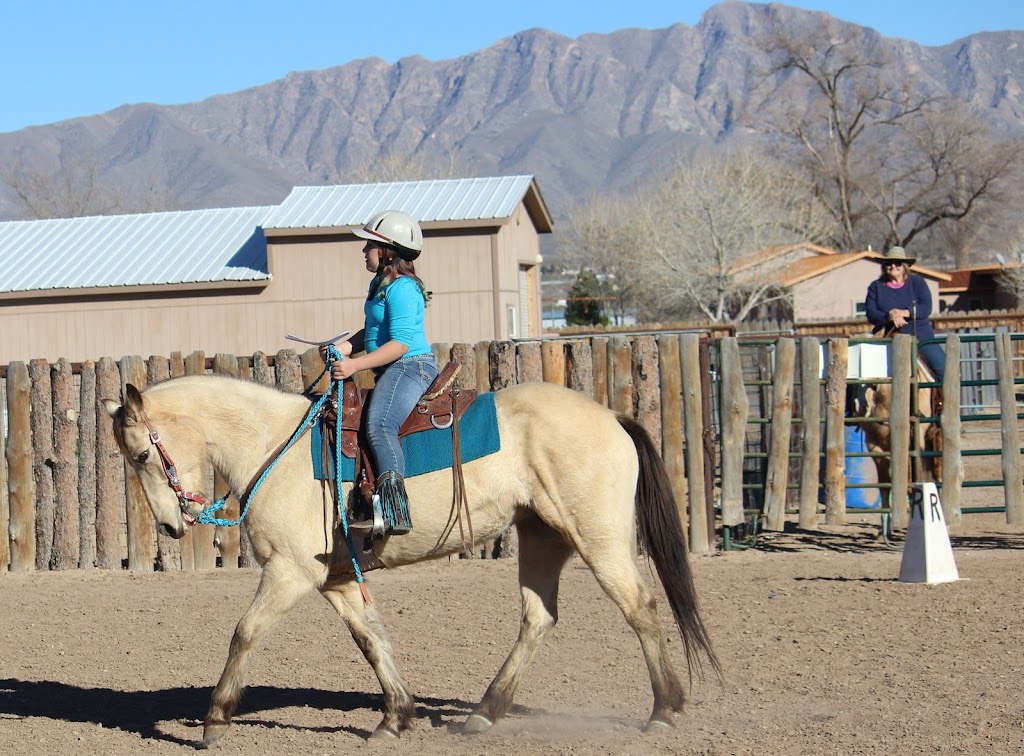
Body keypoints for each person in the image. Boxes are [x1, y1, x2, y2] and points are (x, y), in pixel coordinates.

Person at [324, 209, 437, 536]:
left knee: (380, 424)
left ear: (388, 251)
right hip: (391, 367)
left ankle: (395, 510)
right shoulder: (381, 284)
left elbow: (400, 344)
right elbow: (374, 330)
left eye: (370, 245)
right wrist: (345, 347)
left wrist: (355, 365)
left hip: (410, 366)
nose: (364, 251)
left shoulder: (403, 289)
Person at [864, 246, 945, 383]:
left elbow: (926, 307)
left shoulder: (917, 283)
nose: (893, 266)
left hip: (919, 336)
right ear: (884, 266)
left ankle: (945, 401)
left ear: (905, 266)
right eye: (889, 263)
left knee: (944, 367)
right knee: (858, 371)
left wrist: (904, 313)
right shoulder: (876, 287)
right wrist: (890, 316)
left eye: (898, 263)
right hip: (886, 337)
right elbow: (871, 313)